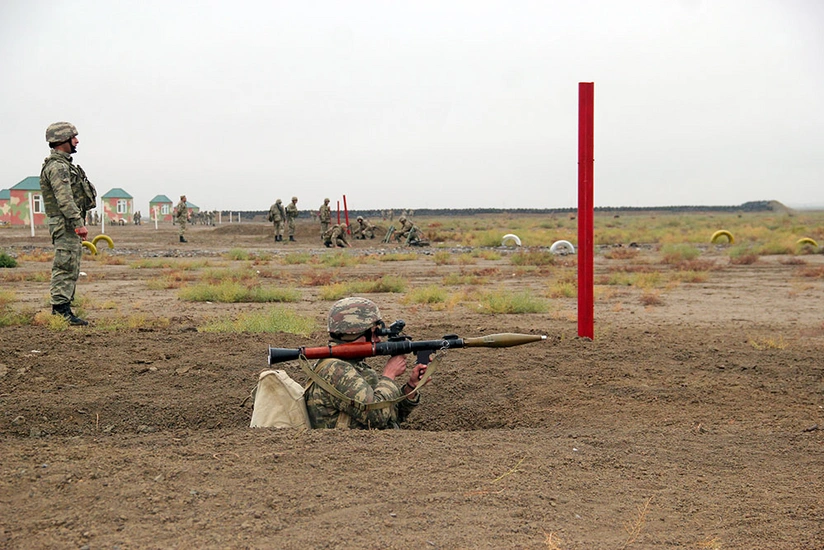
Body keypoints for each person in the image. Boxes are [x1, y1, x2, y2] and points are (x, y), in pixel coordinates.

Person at [304, 297, 427, 429]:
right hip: (349, 447)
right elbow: (377, 417)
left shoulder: (354, 366)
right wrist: (389, 374)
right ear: (356, 333)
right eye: (374, 333)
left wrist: (411, 387)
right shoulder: (335, 370)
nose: (378, 339)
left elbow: (390, 416)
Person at [39, 121, 97, 326]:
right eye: (73, 138)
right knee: (65, 264)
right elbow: (65, 199)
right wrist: (77, 222)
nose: (77, 141)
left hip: (67, 223)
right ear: (62, 140)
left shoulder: (65, 165)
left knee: (71, 264)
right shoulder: (58, 167)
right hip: (65, 224)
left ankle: (64, 308)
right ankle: (60, 310)